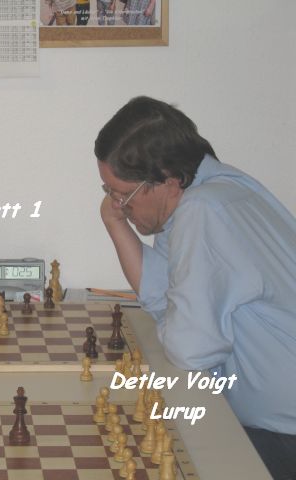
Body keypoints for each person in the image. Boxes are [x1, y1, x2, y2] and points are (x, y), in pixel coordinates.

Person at [95, 96, 296, 480]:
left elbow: (191, 349)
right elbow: (162, 299)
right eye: (109, 191)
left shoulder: (203, 210)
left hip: (282, 436)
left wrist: (176, 321)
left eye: (124, 195)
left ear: (168, 180)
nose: (118, 204)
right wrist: (115, 223)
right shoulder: (212, 191)